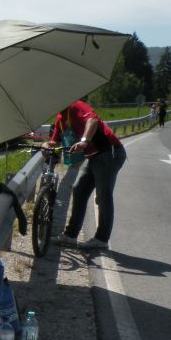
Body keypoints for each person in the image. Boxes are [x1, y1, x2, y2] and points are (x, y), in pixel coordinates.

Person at [48, 100, 126, 249]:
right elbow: (54, 142)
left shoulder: (74, 105)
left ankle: (101, 239)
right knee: (79, 190)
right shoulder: (60, 118)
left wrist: (84, 141)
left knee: (103, 195)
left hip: (109, 152)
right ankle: (70, 236)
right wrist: (45, 146)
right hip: (94, 156)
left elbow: (92, 120)